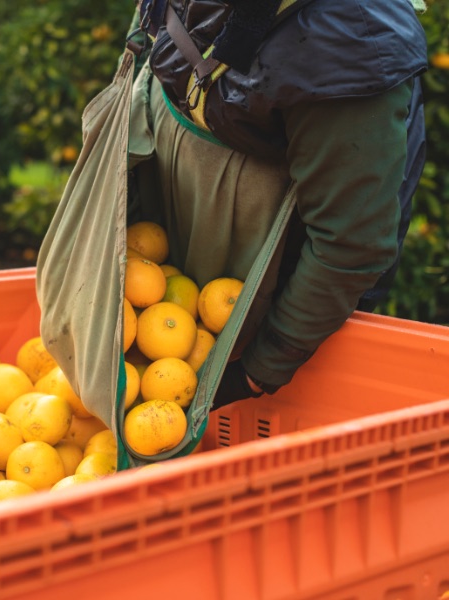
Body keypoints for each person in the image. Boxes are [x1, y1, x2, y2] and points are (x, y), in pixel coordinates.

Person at [125, 0, 428, 407]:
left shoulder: (348, 40)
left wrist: (256, 371)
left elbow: (348, 246)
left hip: (284, 310)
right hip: (175, 287)